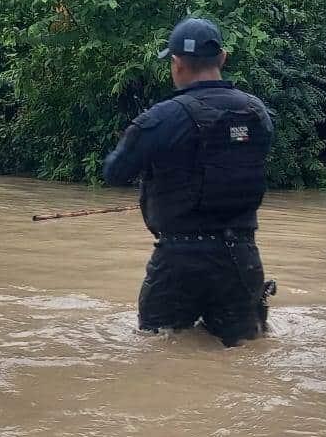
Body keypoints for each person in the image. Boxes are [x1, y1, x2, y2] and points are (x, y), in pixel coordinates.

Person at [102, 18, 275, 347]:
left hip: (178, 262)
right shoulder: (258, 113)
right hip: (242, 257)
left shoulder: (161, 118)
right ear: (222, 58)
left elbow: (114, 172)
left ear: (176, 63)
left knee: (157, 352)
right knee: (243, 356)